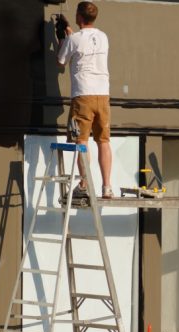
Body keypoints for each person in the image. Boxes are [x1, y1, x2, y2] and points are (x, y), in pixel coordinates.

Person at [56, 1, 113, 198]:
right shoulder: (103, 37)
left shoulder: (74, 39)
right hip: (103, 95)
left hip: (83, 96)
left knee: (82, 141)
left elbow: (61, 62)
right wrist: (72, 35)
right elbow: (86, 43)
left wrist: (63, 40)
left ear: (79, 17)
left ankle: (84, 184)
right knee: (103, 141)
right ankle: (107, 188)